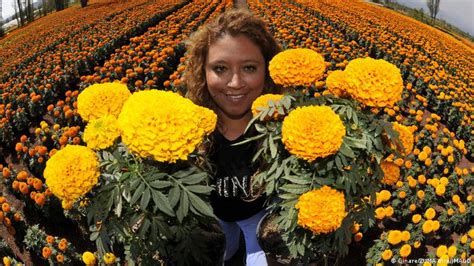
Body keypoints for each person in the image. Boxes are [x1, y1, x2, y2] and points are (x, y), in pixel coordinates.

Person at [184, 9, 281, 266]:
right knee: (219, 254)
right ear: (202, 71)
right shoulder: (187, 126)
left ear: (267, 69)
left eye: (249, 67)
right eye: (220, 68)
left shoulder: (283, 126)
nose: (235, 82)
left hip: (257, 218)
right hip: (214, 217)